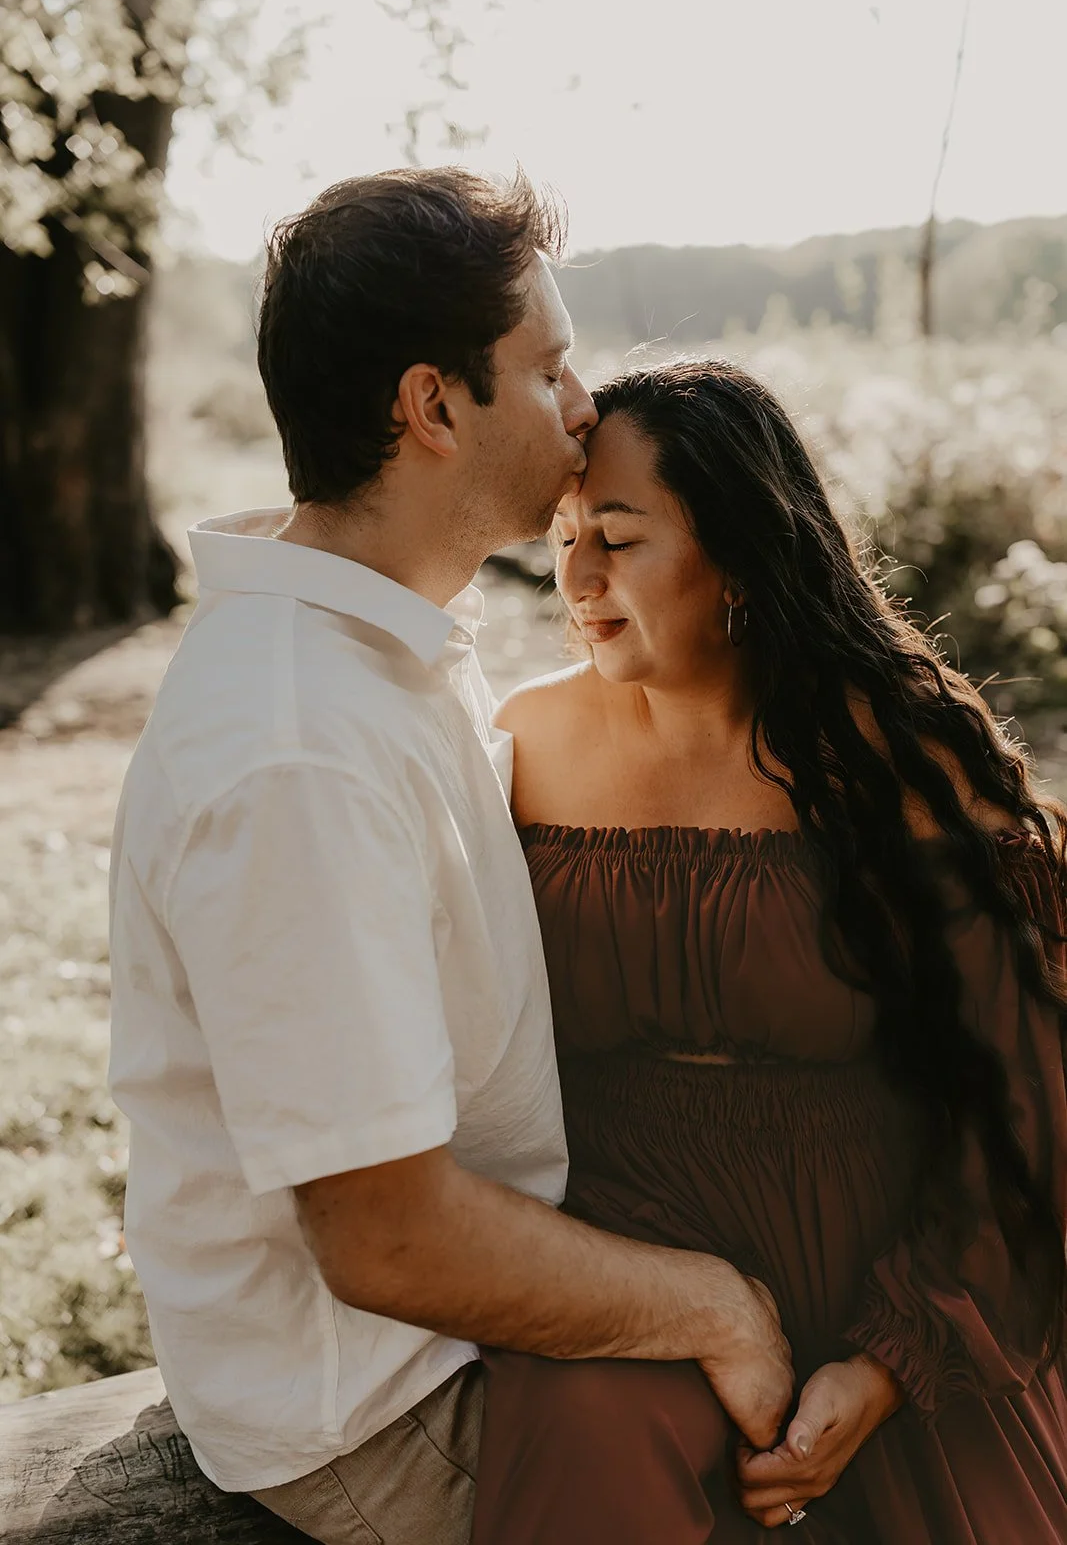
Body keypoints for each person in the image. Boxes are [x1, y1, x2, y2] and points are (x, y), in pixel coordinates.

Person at [107, 175, 792, 1545]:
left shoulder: (385, 650)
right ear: (432, 408)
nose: (584, 406)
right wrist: (713, 1305)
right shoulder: (299, 748)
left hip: (435, 1327)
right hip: (378, 1402)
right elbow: (387, 1239)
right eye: (545, 370)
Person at [474, 358, 1067, 1543]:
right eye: (562, 536)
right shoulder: (519, 743)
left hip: (879, 1292)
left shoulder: (900, 757)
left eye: (620, 539)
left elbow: (1023, 1097)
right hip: (616, 1287)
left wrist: (895, 1361)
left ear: (739, 554)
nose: (576, 579)